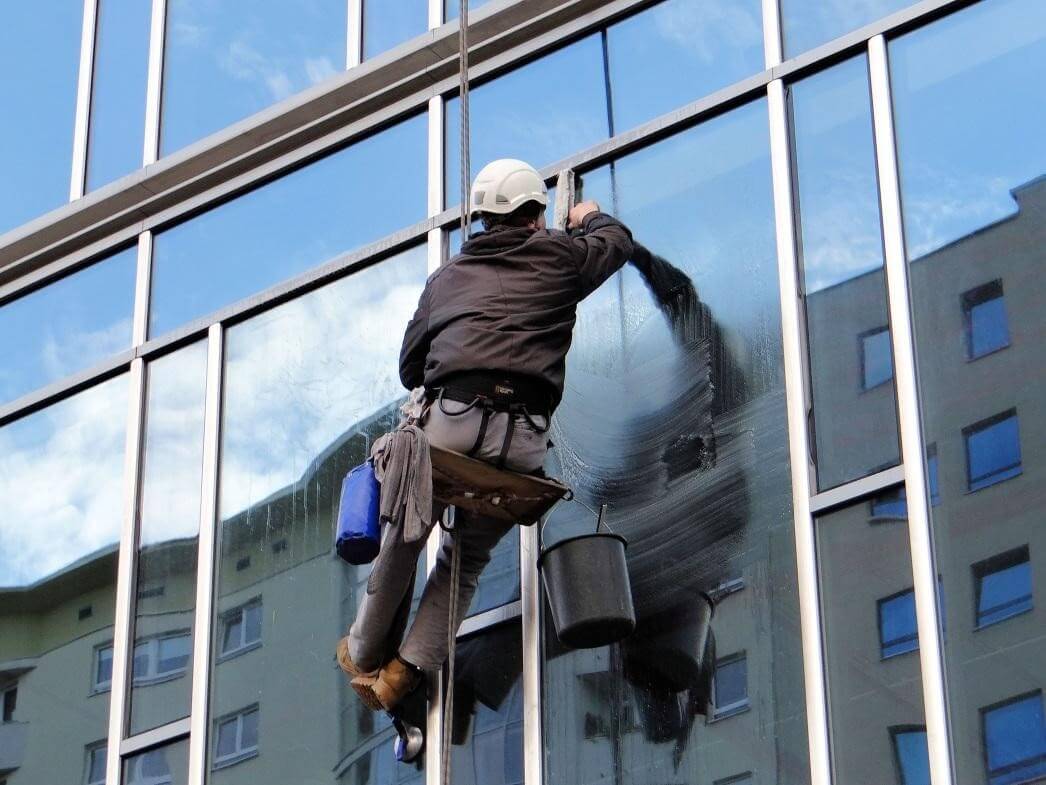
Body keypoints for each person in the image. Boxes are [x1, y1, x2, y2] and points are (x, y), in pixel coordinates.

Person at [336, 158, 634, 712]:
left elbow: (410, 368)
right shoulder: (562, 256)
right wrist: (589, 216)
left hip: (452, 422)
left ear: (482, 218)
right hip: (523, 442)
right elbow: (616, 243)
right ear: (536, 214)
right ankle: (405, 672)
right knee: (466, 560)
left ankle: (362, 652)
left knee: (405, 535)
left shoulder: (447, 278)